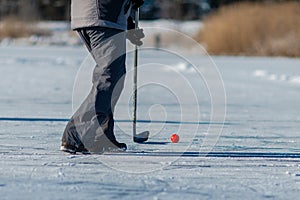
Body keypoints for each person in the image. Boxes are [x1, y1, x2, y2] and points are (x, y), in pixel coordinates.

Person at [61, 0, 145, 154]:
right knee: (110, 76)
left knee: (113, 76)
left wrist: (127, 22)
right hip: (101, 14)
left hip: (98, 14)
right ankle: (77, 133)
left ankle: (101, 136)